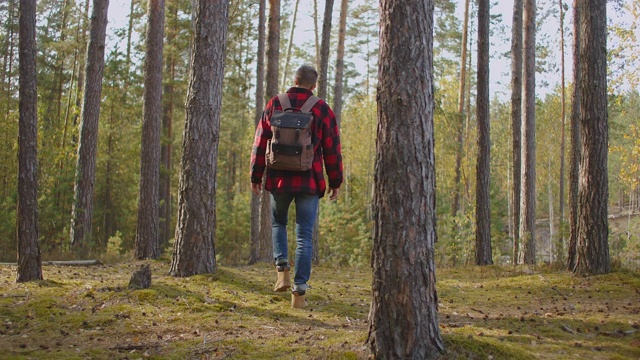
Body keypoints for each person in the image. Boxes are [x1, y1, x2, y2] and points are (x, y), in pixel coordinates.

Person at [250, 65, 343, 308]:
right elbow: (332, 148)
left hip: (279, 178)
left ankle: (282, 271)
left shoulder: (275, 104)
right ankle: (299, 294)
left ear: (295, 80)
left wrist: (255, 175)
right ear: (314, 85)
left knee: (279, 223)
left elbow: (260, 142)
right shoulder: (321, 109)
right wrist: (336, 182)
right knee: (304, 236)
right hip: (309, 181)